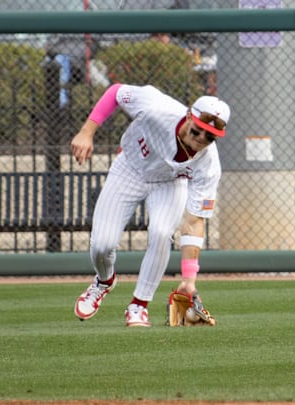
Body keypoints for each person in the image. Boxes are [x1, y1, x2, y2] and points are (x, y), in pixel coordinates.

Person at [70, 83, 230, 327]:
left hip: (170, 183)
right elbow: (115, 92)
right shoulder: (157, 108)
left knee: (162, 233)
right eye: (198, 130)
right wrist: (87, 132)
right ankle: (104, 281)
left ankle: (139, 305)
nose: (200, 139)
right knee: (102, 245)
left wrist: (189, 279)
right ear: (189, 115)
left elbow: (194, 221)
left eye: (210, 137)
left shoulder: (209, 164)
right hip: (129, 169)